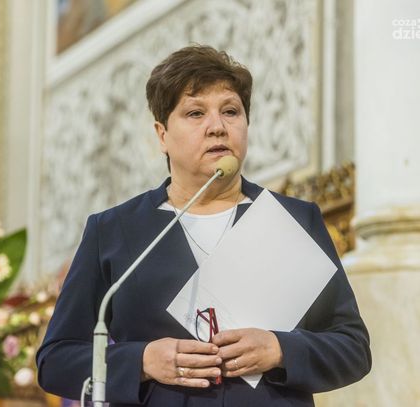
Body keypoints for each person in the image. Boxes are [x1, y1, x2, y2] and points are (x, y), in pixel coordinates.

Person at [36, 45, 371, 406]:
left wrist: (280, 349)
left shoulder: (295, 221)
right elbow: (56, 360)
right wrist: (142, 361)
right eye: (195, 113)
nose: (218, 127)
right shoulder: (114, 230)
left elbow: (353, 347)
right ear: (162, 134)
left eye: (231, 111)